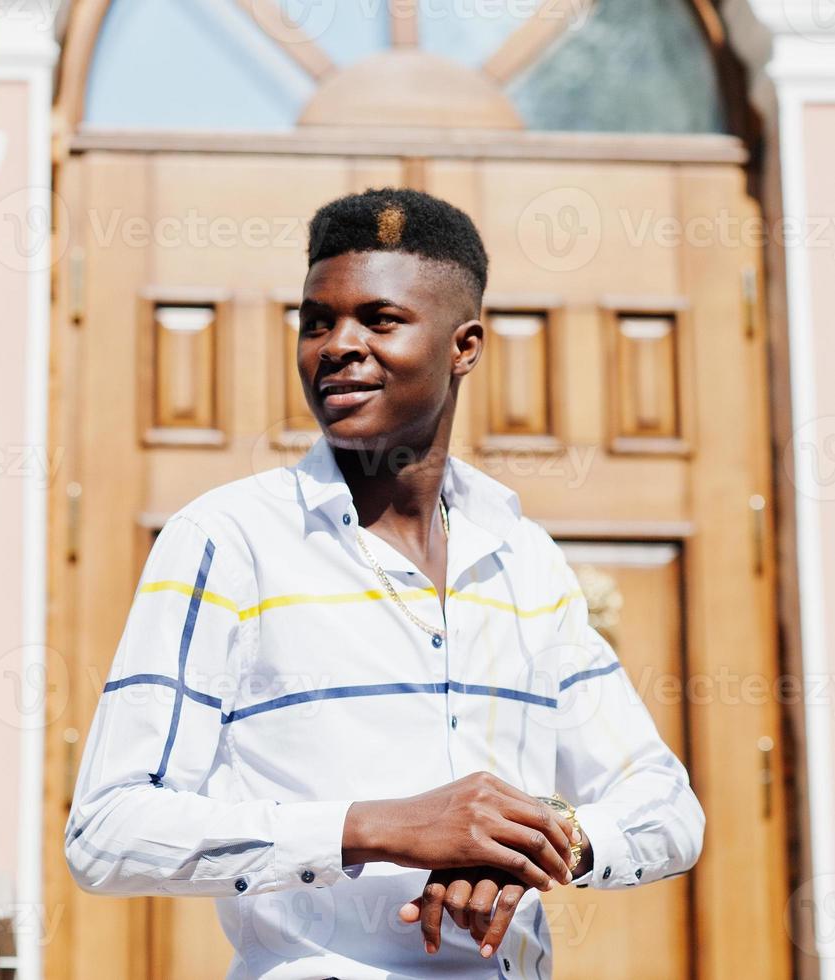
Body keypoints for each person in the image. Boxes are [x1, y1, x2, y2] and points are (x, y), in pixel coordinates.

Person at [63, 188, 704, 979]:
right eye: (315, 321)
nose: (336, 345)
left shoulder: (523, 559)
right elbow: (107, 830)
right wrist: (379, 828)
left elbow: (668, 809)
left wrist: (536, 841)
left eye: (379, 318)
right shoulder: (226, 542)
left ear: (462, 345)